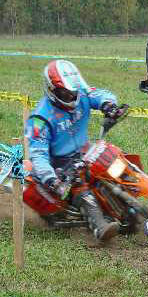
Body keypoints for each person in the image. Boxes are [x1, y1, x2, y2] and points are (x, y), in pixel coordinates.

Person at [25, 59, 127, 242]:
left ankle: (142, 194)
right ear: (52, 90)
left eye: (73, 90)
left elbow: (98, 94)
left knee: (114, 157)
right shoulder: (40, 118)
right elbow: (38, 155)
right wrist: (52, 180)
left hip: (83, 150)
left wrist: (108, 105)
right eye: (65, 92)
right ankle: (100, 226)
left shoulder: (80, 94)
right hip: (59, 164)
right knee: (80, 184)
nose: (72, 96)